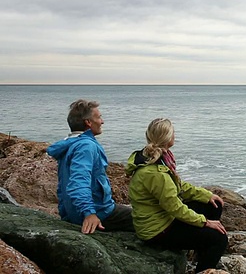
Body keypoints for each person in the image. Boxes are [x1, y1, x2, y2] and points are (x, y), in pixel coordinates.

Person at [126, 118, 228, 272]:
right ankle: (204, 269)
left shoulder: (158, 158)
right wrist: (204, 222)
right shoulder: (154, 171)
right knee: (219, 239)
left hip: (165, 218)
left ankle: (200, 254)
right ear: (167, 137)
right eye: (173, 132)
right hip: (157, 230)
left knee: (213, 204)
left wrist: (206, 195)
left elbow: (178, 186)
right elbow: (174, 207)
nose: (175, 134)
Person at [47, 99, 134, 234]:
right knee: (147, 221)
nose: (102, 121)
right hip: (98, 212)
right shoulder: (86, 146)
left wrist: (66, 215)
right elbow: (78, 182)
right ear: (88, 122)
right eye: (99, 117)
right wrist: (89, 213)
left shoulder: (70, 144)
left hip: (73, 213)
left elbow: (63, 185)